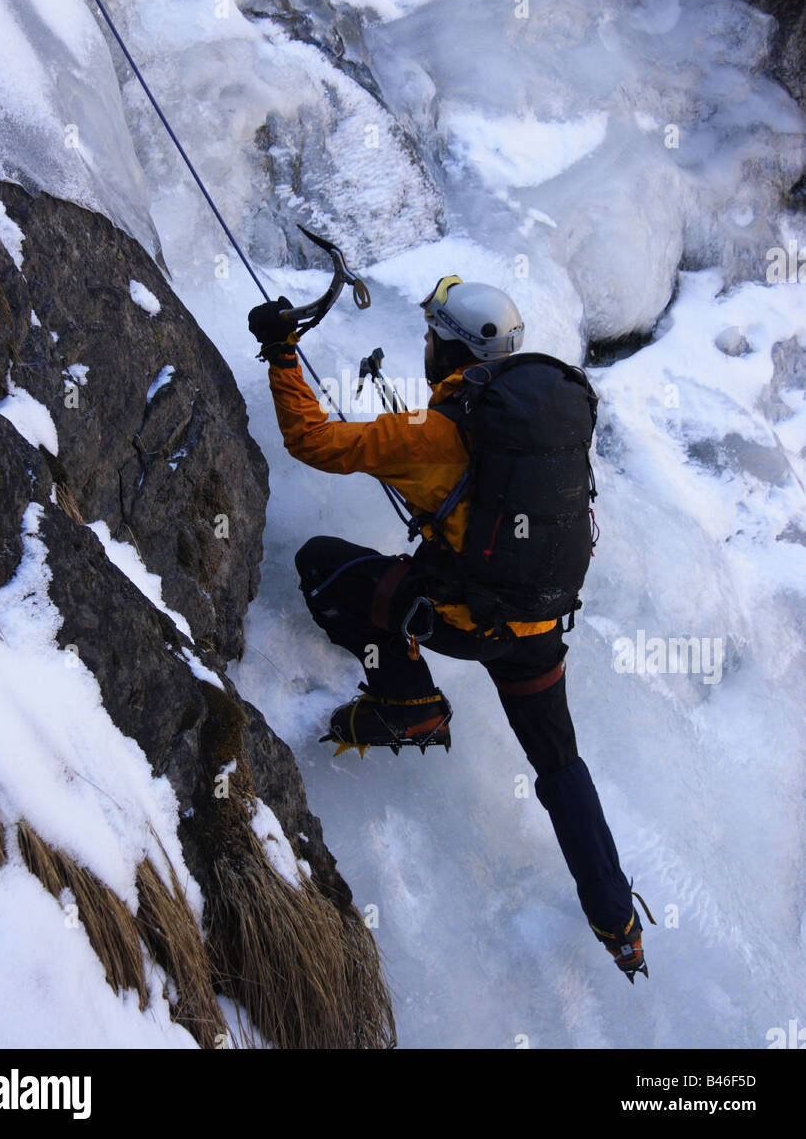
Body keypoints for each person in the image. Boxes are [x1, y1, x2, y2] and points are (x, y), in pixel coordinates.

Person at [249, 276, 647, 980]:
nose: (424, 346)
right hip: (538, 632)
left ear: (449, 349)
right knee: (559, 767)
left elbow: (312, 440)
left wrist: (282, 354)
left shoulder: (436, 433)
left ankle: (410, 704)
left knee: (324, 566)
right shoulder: (545, 423)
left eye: (431, 338)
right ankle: (618, 925)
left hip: (464, 620)